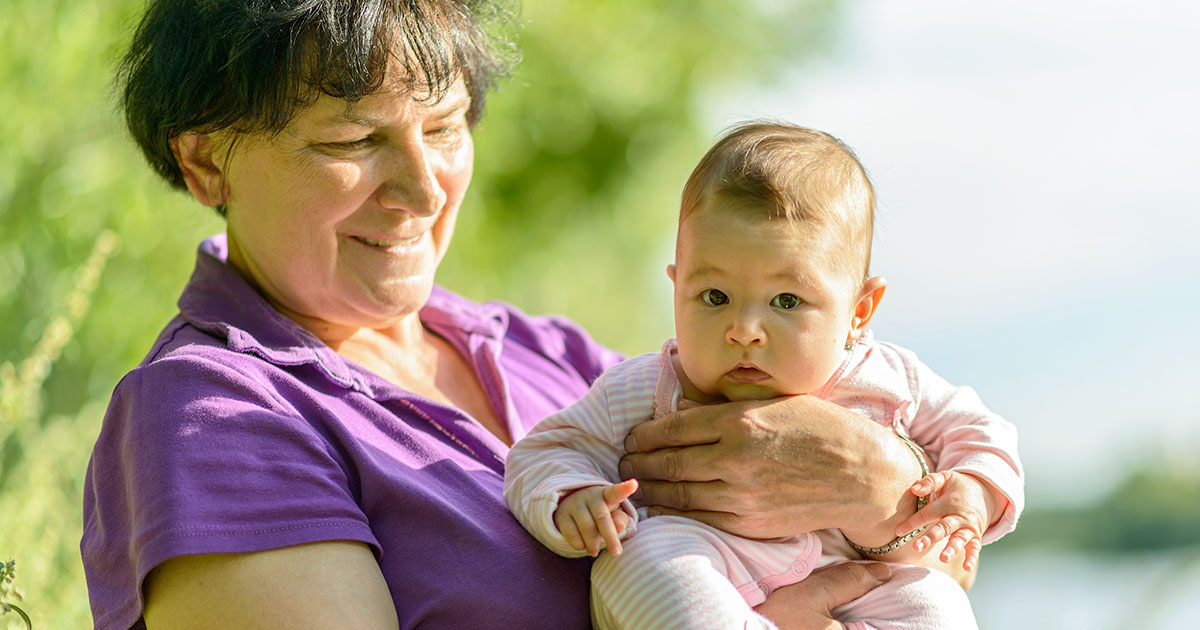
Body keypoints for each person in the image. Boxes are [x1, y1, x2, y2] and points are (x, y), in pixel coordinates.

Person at [81, 2, 979, 629]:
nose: (424, 189)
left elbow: (885, 551)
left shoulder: (550, 355)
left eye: (443, 127)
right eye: (352, 140)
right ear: (206, 162)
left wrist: (887, 483)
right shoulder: (216, 416)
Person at [504, 122, 1024, 629]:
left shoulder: (888, 377)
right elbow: (545, 452)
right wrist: (573, 497)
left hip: (854, 586)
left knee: (935, 600)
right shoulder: (645, 387)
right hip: (708, 567)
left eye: (786, 301)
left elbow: (981, 430)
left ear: (859, 311)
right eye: (715, 297)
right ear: (677, 289)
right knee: (640, 556)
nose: (744, 330)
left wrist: (974, 490)